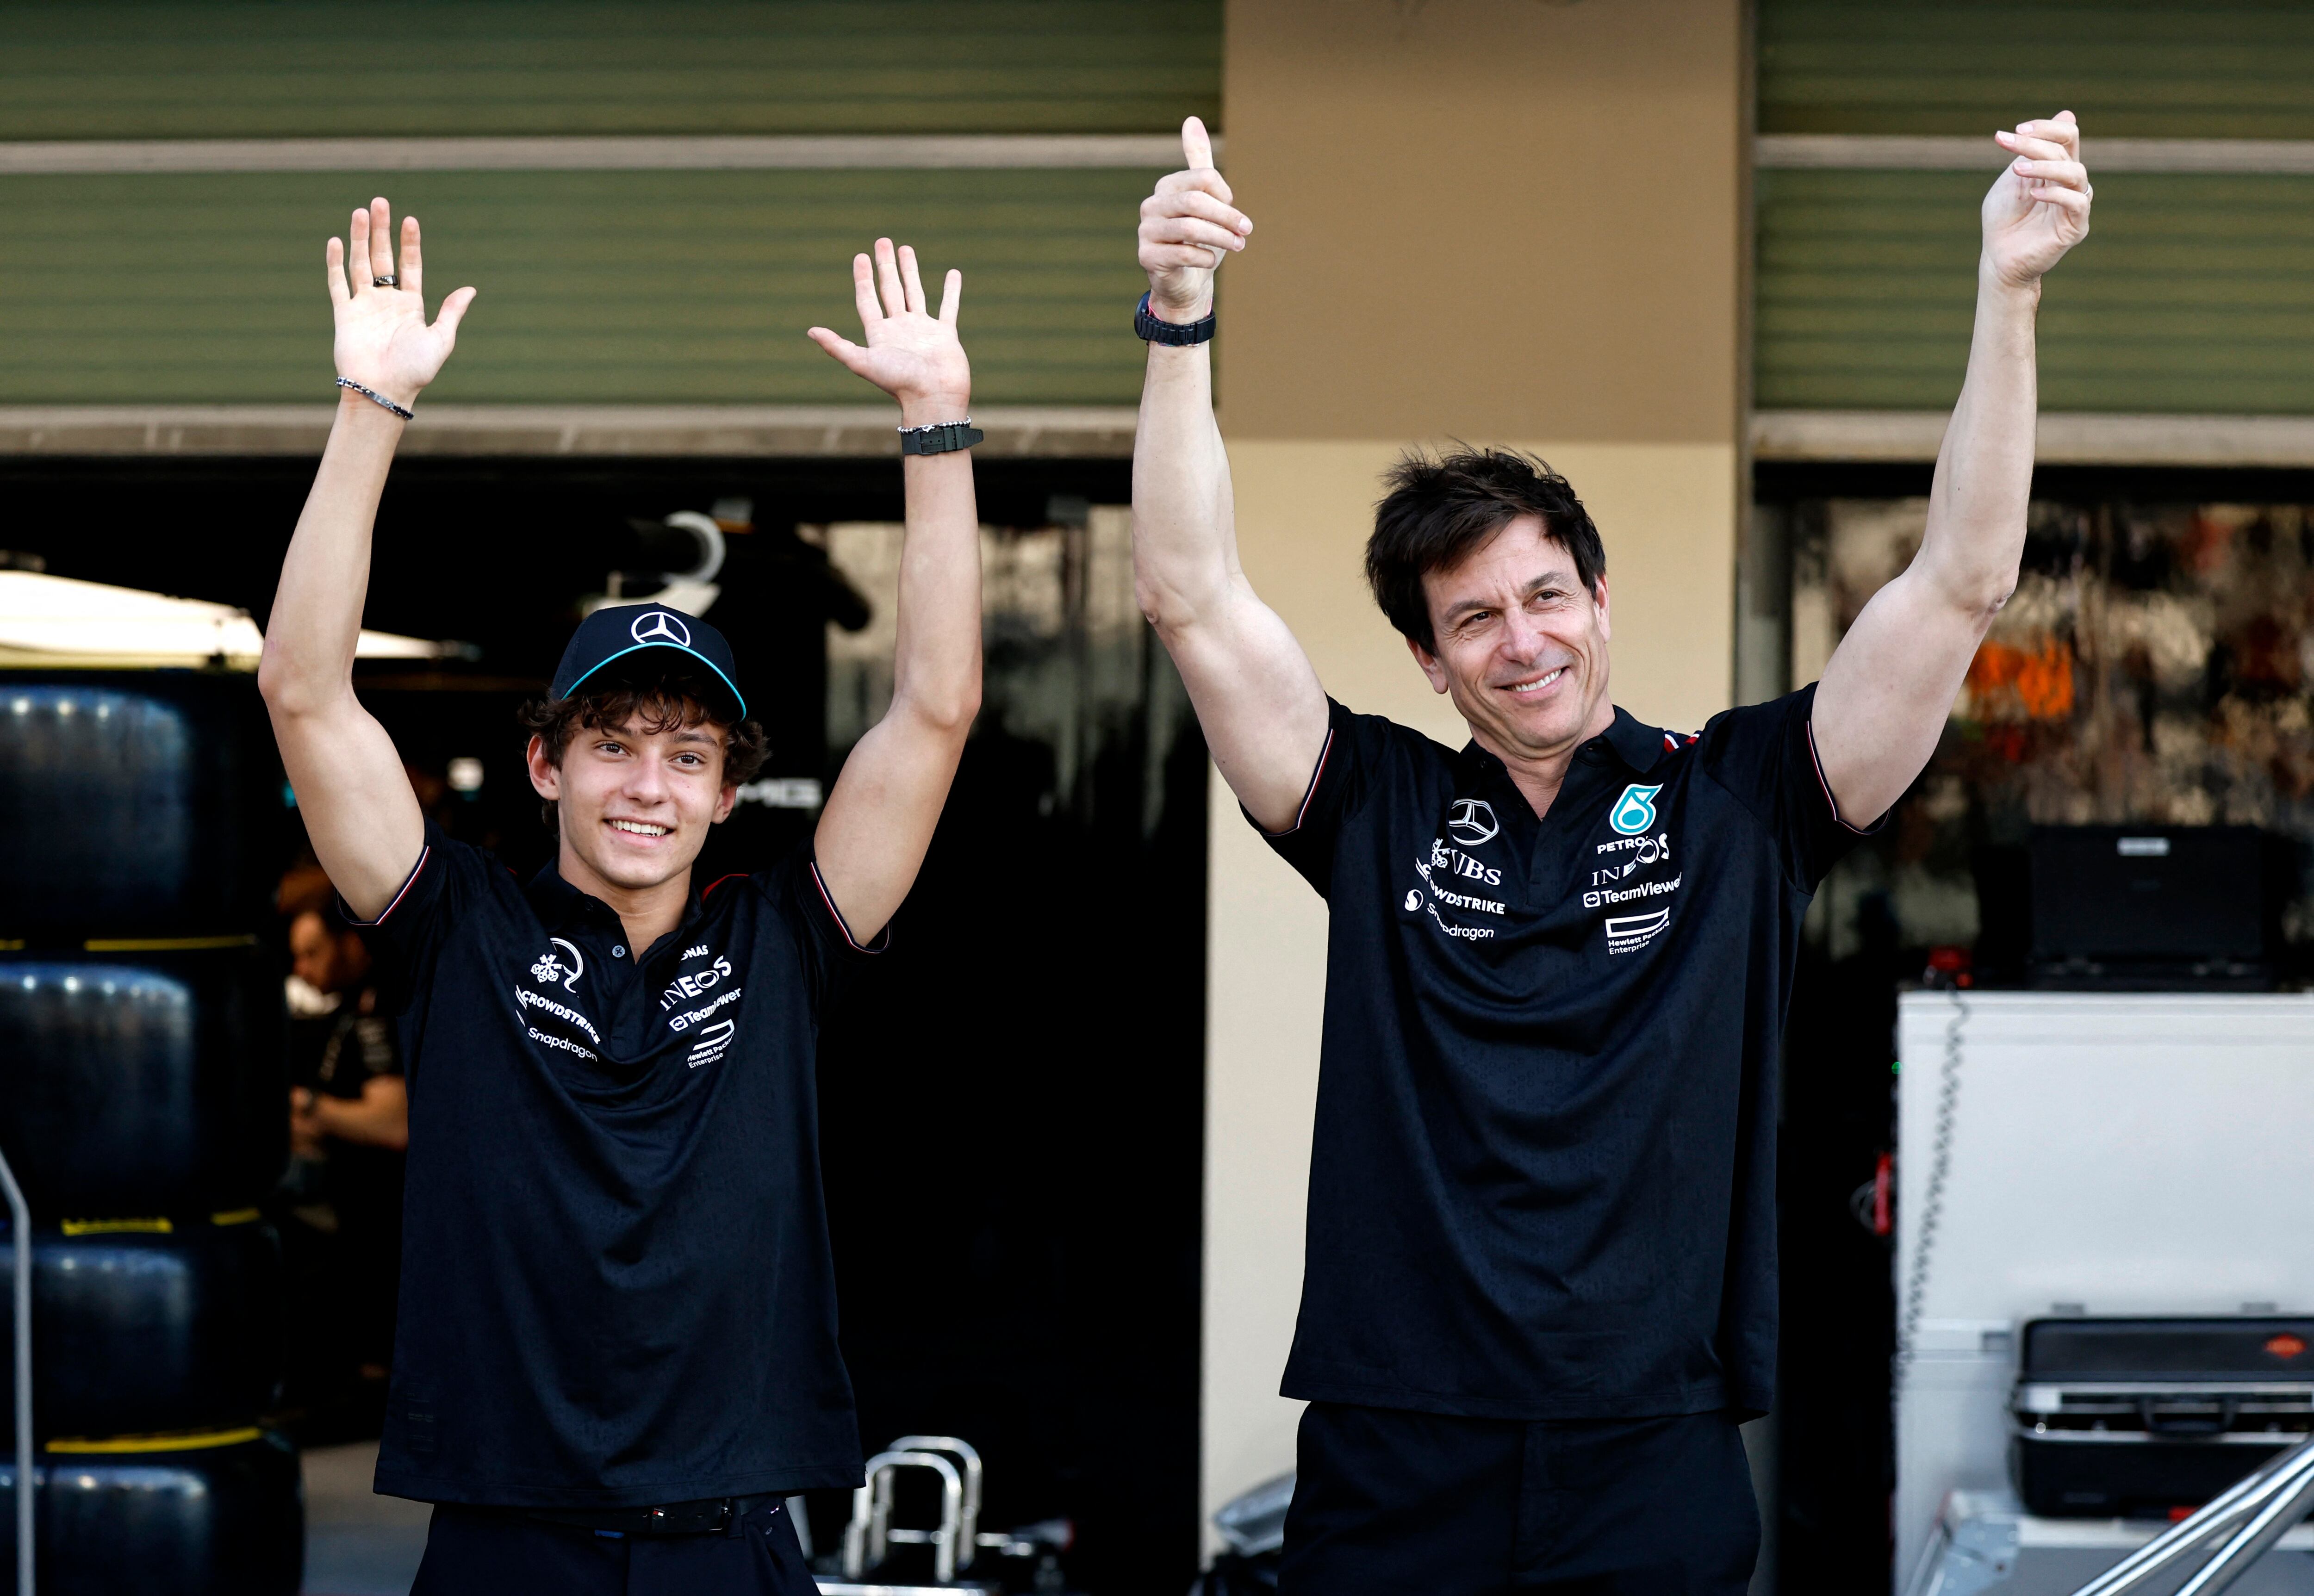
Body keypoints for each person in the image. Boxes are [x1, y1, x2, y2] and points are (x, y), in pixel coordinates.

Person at [1132, 114, 2091, 1592]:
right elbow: (1190, 595)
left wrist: (2007, 290)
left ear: (1597, 596)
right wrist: (1179, 317)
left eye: (1544, 596)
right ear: (1428, 662)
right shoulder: (1371, 804)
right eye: (1473, 620)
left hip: (1648, 1452)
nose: (1522, 643)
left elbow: (1959, 579)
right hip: (1396, 1450)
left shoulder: (1741, 800)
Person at [258, 198, 984, 1595]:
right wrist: (370, 406)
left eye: (686, 752)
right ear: (545, 762)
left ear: (727, 793)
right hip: (503, 1546)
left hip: (728, 1545)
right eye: (610, 744)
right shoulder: (457, 925)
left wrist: (936, 430)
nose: (645, 784)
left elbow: (936, 709)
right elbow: (303, 689)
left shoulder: (781, 937)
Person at [281, 895, 411, 1409]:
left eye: (313, 953)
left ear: (348, 942)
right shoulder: (341, 1005)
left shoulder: (384, 998)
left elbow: (395, 1123)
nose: (302, 968)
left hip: (390, 1209)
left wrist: (313, 1108)